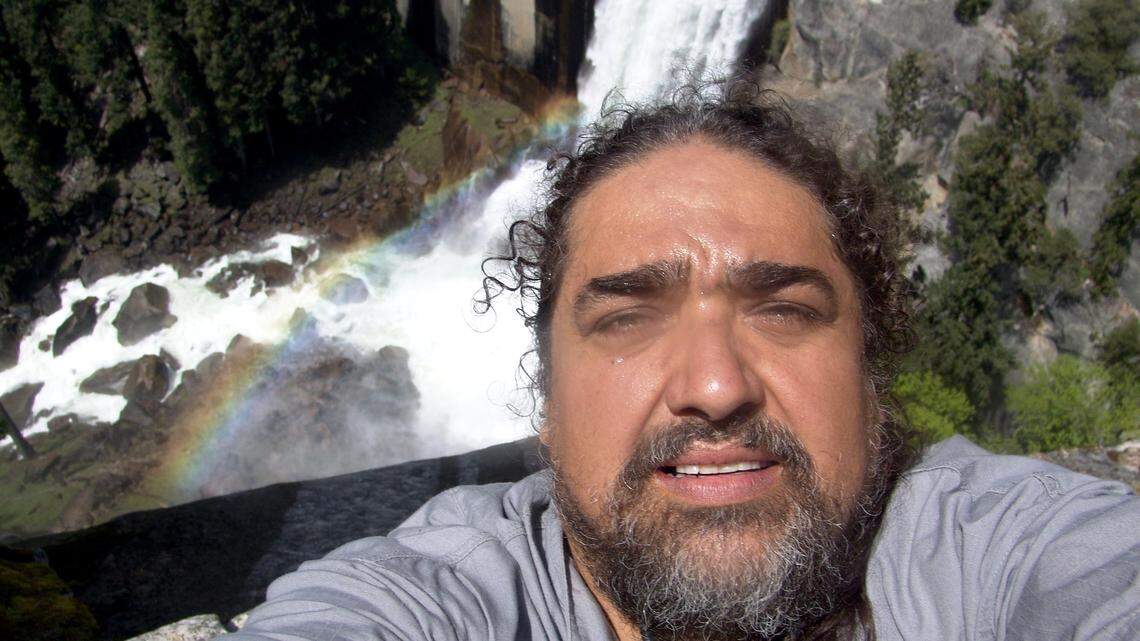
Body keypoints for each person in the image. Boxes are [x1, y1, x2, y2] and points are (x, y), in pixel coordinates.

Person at [221, 86, 1140, 641]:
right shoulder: (437, 595)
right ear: (546, 403)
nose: (713, 384)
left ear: (872, 376)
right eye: (628, 317)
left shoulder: (988, 550)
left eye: (784, 309)